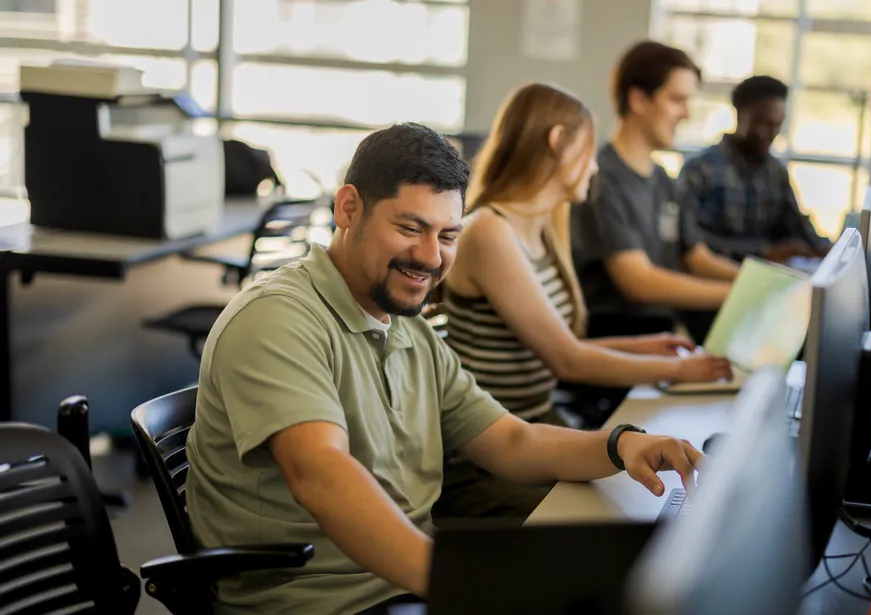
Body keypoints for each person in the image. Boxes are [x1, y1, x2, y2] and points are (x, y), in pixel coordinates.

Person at [185, 122, 706, 615]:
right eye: (410, 228)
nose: (431, 257)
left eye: (448, 235)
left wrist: (619, 445)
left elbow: (510, 442)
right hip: (324, 601)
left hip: (399, 584)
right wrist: (464, 586)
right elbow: (322, 476)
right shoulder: (277, 319)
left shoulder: (405, 325)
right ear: (348, 208)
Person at [437, 83, 731, 446]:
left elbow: (560, 343)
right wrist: (680, 369)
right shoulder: (489, 231)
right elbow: (567, 360)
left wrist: (643, 346)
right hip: (494, 442)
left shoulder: (543, 225)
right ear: (558, 140)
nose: (593, 167)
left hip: (534, 423)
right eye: (588, 152)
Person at [570, 40, 741, 346]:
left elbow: (697, 258)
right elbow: (639, 281)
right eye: (677, 100)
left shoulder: (663, 179)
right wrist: (740, 295)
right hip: (619, 342)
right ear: (638, 99)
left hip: (664, 334)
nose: (686, 114)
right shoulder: (601, 179)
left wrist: (760, 281)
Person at [679, 75, 832, 263]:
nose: (772, 134)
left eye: (778, 125)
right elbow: (691, 242)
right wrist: (763, 252)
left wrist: (829, 249)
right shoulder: (700, 170)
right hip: (717, 276)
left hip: (770, 275)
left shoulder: (775, 172)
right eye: (764, 124)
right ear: (740, 115)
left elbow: (800, 228)